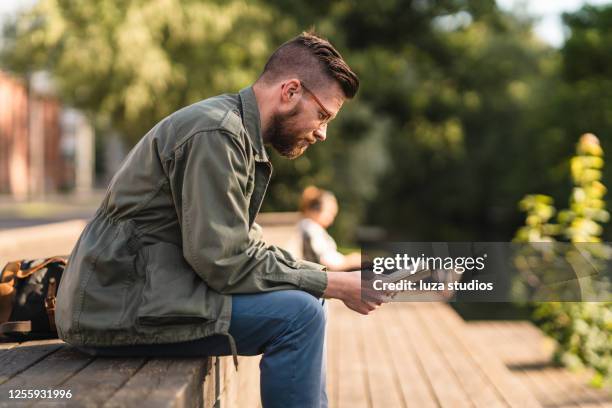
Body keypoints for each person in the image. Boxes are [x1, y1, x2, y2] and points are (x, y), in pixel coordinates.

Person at [56, 31, 381, 408]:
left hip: (140, 293)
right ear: (291, 91)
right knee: (300, 315)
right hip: (114, 307)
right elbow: (223, 260)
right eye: (323, 114)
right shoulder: (217, 134)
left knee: (309, 300)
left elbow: (244, 247)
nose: (323, 132)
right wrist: (335, 284)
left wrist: (325, 280)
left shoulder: (236, 133)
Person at [299, 186, 361, 271]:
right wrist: (349, 261)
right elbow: (326, 260)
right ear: (315, 210)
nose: (331, 220)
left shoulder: (310, 227)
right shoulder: (311, 228)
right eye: (330, 213)